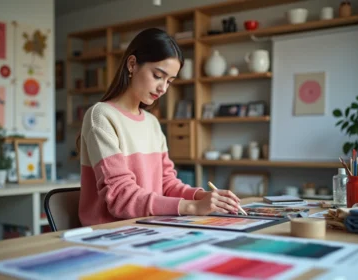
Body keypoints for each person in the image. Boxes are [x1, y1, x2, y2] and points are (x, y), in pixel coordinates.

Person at [77, 28, 241, 226]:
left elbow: (167, 184)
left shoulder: (152, 123)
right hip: (110, 231)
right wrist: (191, 207)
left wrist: (203, 197)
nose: (163, 88)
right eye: (157, 75)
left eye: (169, 81)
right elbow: (120, 197)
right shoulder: (101, 116)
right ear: (132, 64)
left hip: (151, 226)